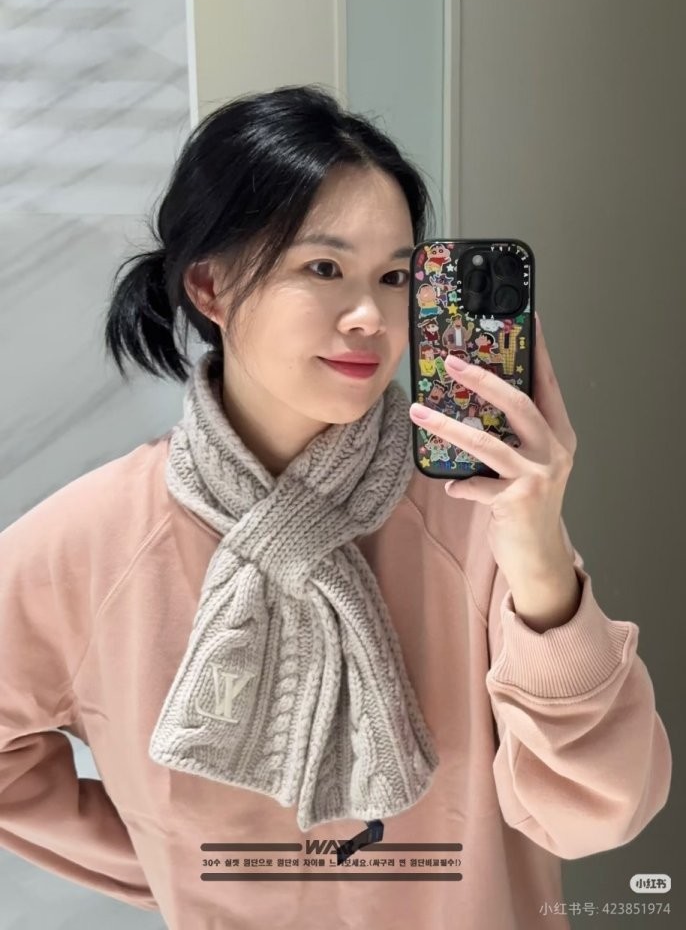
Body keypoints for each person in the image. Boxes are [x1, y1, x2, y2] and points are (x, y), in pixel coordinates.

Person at [0, 84, 672, 930]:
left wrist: (539, 552)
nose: (369, 316)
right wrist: (168, 860)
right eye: (324, 269)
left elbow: (596, 816)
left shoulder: (480, 513)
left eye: (394, 277)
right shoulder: (93, 544)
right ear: (210, 285)